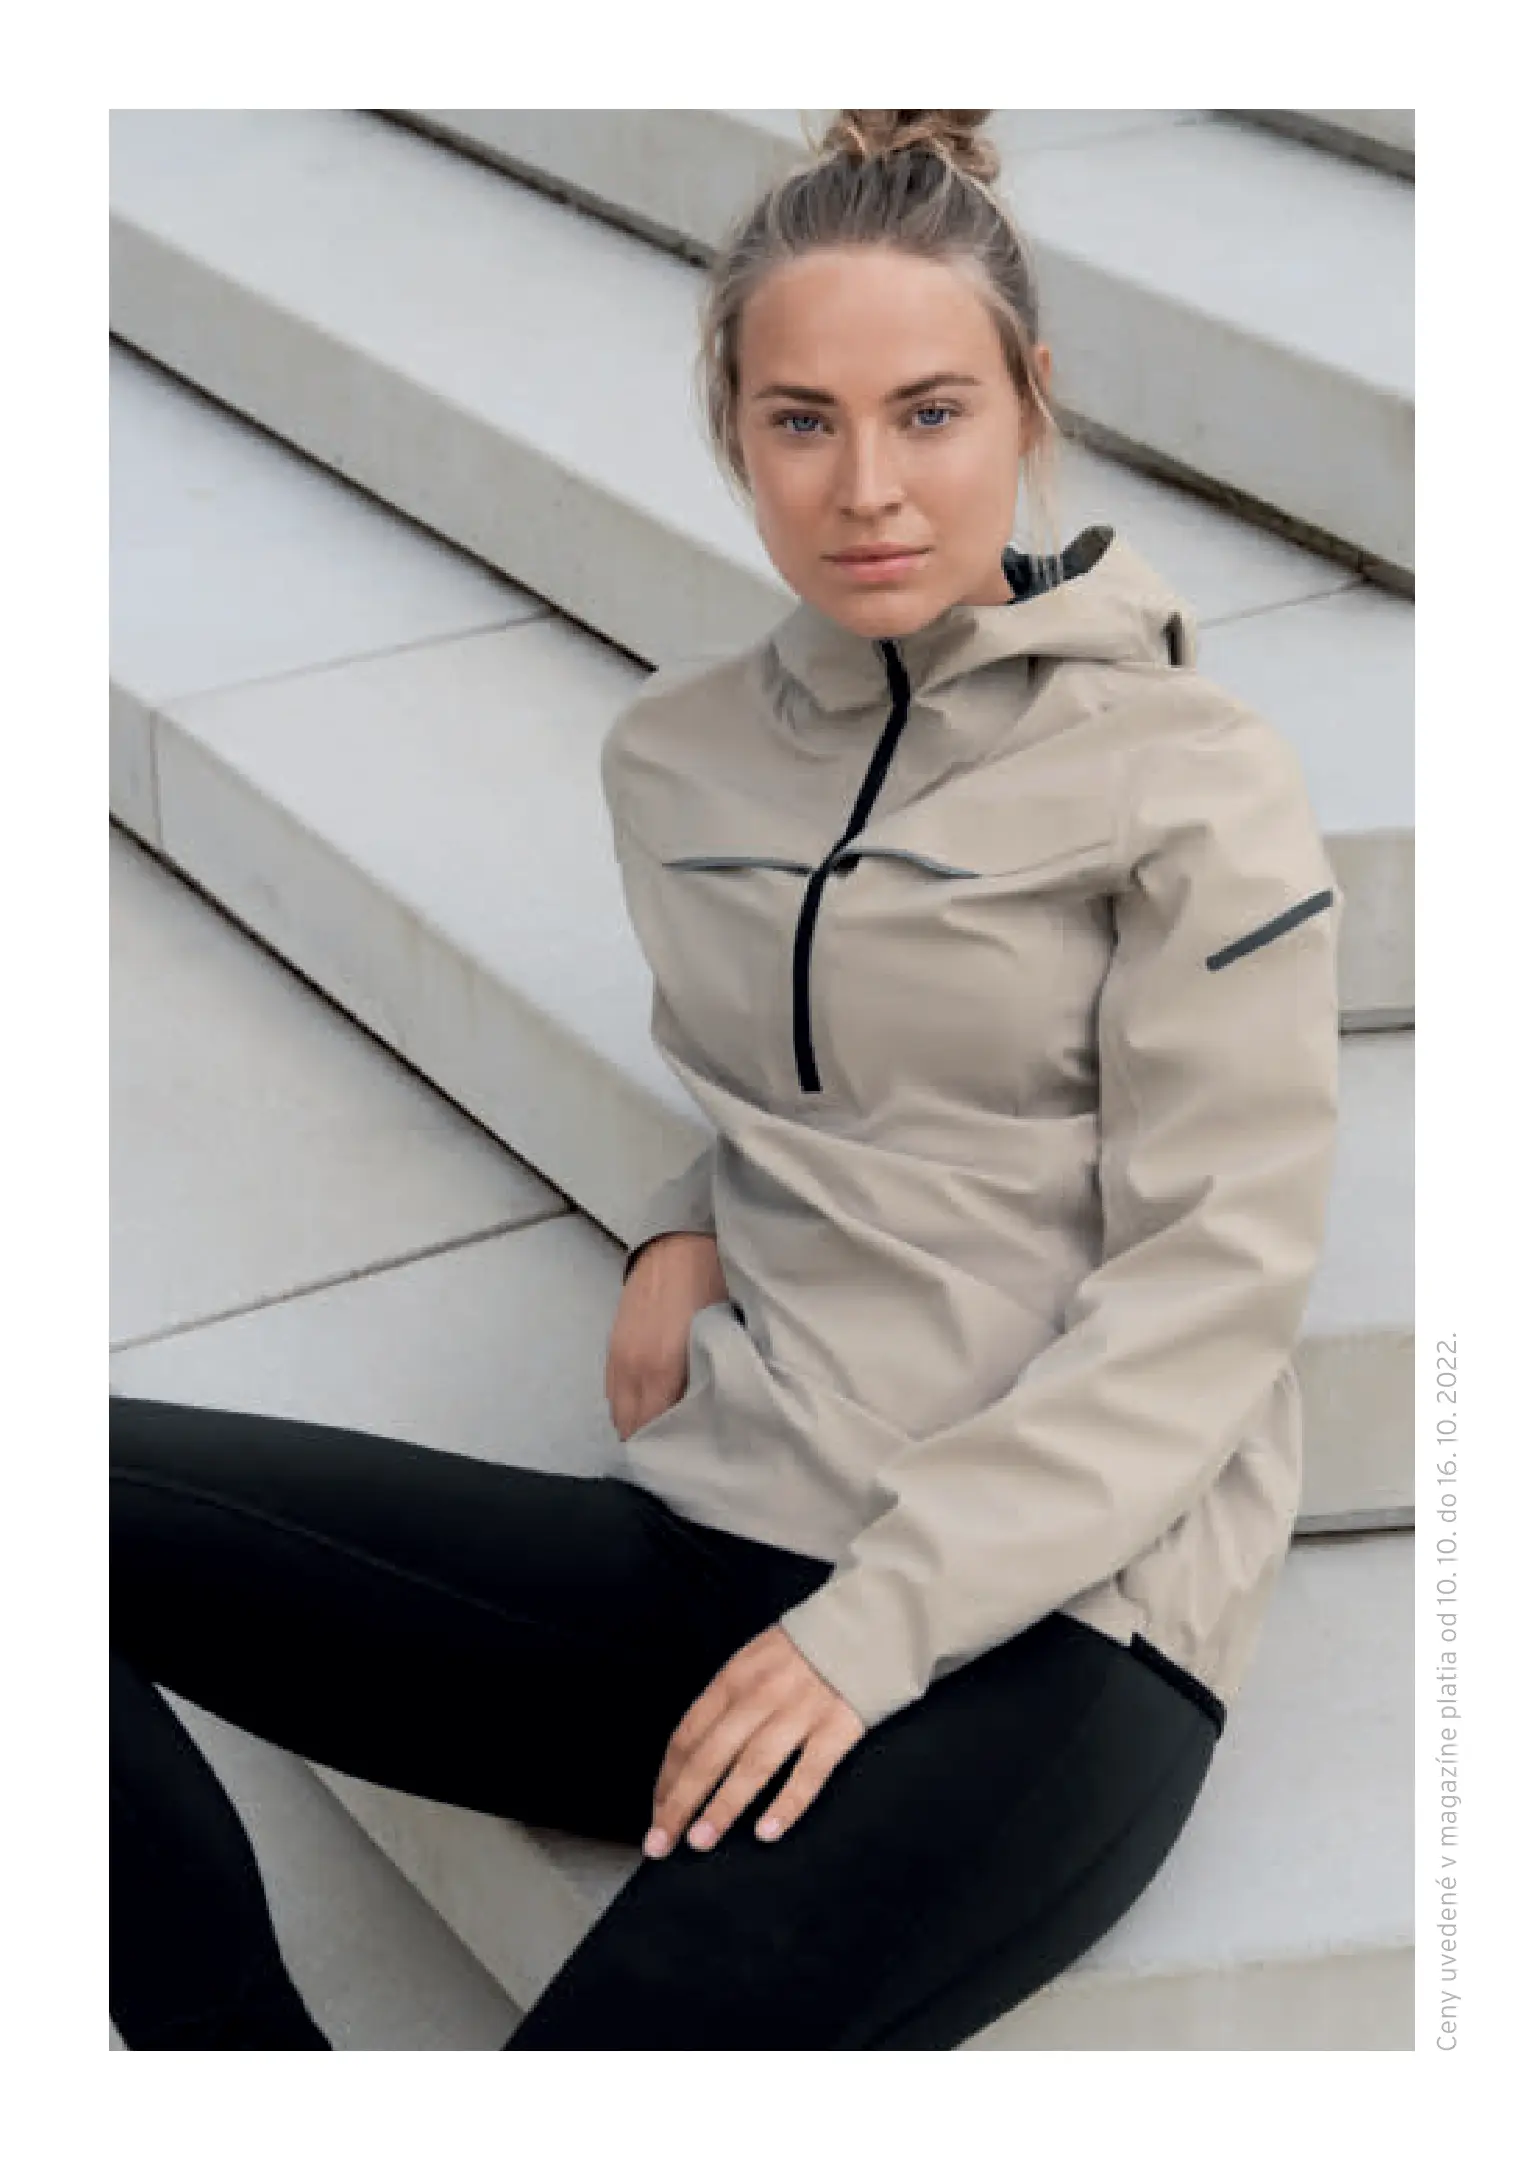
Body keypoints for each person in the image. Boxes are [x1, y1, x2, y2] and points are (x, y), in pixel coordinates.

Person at [111, 107, 1343, 2051]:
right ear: (733, 432)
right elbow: (841, 1056)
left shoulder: (1190, 777)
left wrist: (873, 1629)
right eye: (802, 421)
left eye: (930, 412)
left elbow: (1217, 1280)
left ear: (1031, 401)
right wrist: (686, 1217)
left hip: (1059, 1620)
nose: (869, 487)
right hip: (727, 1528)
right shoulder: (680, 760)